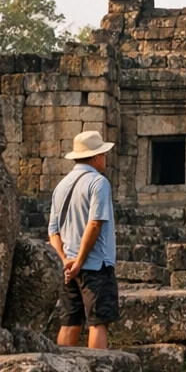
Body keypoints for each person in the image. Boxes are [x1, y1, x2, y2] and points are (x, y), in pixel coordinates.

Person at [48, 130, 119, 349]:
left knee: (69, 322)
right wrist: (79, 261)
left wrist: (66, 261)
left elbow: (53, 232)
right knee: (98, 322)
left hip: (69, 268)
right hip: (95, 265)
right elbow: (95, 223)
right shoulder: (98, 183)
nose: (105, 159)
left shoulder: (61, 186)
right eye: (104, 154)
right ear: (96, 157)